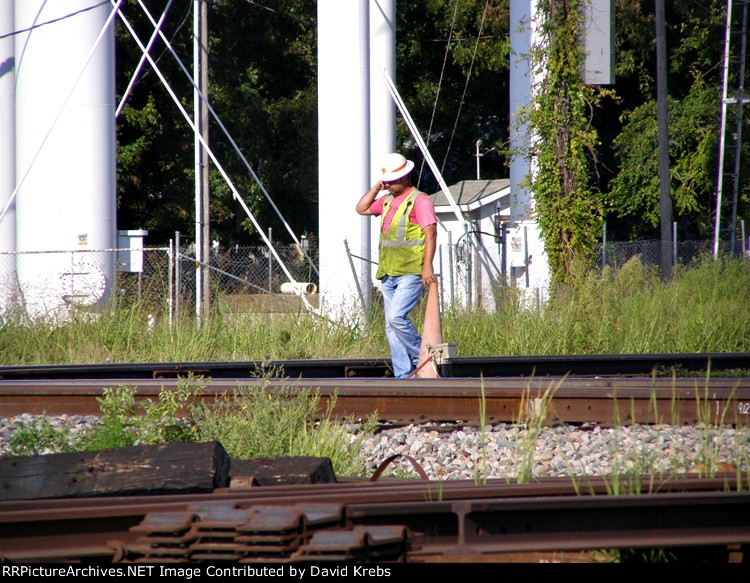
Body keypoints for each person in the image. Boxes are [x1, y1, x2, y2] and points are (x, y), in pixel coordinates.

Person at [356, 152, 437, 378]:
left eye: (390, 181)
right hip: (388, 273)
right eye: (386, 181)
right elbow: (361, 208)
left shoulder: (420, 201)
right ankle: (404, 375)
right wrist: (377, 188)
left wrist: (427, 267)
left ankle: (427, 356)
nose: (387, 185)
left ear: (405, 176)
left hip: (411, 272)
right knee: (391, 329)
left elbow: (431, 234)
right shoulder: (387, 200)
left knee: (396, 318)